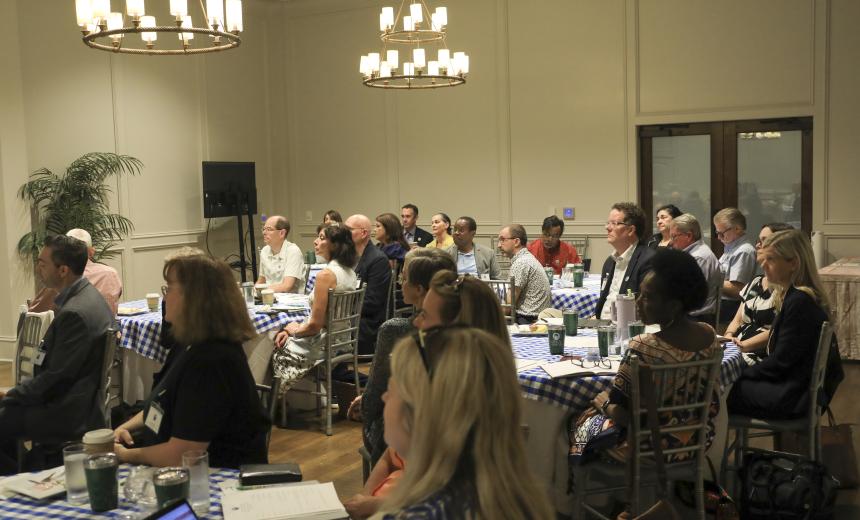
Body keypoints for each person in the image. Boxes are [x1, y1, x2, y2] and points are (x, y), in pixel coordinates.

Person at [371, 328, 553, 519]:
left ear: (421, 413)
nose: (384, 397)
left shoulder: (419, 514)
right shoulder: (508, 495)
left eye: (392, 388)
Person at [113, 254, 269, 469]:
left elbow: (183, 455)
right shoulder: (187, 343)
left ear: (195, 297)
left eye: (169, 288)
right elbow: (162, 402)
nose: (164, 299)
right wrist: (125, 428)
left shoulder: (212, 360)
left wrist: (123, 455)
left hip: (218, 480)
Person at [571, 248, 719, 469]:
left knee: (576, 421)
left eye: (648, 297)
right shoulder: (710, 336)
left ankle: (577, 496)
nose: (638, 302)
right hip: (697, 442)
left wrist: (605, 404)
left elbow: (625, 415)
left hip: (648, 448)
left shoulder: (644, 347)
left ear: (673, 306)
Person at [344, 250, 457, 519]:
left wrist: (372, 401)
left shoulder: (396, 329)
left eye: (403, 278)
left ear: (419, 289)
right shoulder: (462, 329)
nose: (399, 283)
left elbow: (374, 403)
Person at [0, 235, 114, 473]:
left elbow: (55, 378)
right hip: (76, 402)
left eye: (42, 263)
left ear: (63, 270)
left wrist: (11, 394)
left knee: (6, 415)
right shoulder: (88, 296)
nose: (37, 268)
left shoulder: (75, 312)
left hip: (68, 412)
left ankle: (15, 486)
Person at [727, 230, 844, 420]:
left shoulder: (800, 301)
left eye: (771, 259)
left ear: (793, 263)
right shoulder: (801, 296)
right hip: (796, 388)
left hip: (793, 396)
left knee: (714, 394)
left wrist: (739, 374)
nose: (762, 264)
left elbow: (781, 363)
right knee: (720, 389)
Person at [271, 225, 359, 387]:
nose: (315, 241)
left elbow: (314, 326)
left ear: (335, 244)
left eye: (321, 238)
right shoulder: (350, 272)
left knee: (275, 347)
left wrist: (292, 331)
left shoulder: (325, 275)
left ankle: (275, 404)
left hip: (323, 344)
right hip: (342, 341)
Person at [723, 223, 794, 362]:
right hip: (738, 347)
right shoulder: (756, 282)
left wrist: (742, 346)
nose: (758, 245)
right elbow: (738, 319)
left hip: (761, 355)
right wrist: (729, 335)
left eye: (764, 241)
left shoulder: (791, 290)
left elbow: (777, 332)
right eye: (758, 241)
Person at [28, 228, 123, 315]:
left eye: (42, 265)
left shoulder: (63, 280)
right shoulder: (111, 273)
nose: (38, 270)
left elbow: (34, 314)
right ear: (91, 252)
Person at [595, 202, 655, 319]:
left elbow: (647, 309)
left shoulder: (648, 260)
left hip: (629, 329)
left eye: (614, 223)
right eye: (608, 223)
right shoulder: (609, 262)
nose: (607, 227)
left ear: (631, 230)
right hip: (602, 326)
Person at [346, 214, 392, 355]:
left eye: (348, 230)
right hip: (349, 315)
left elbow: (372, 302)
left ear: (364, 233)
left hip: (366, 323)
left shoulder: (377, 260)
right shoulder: (347, 256)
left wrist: (341, 308)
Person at [669, 214, 720, 324]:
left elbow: (690, 294)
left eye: (674, 236)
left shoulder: (699, 257)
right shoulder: (689, 255)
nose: (671, 242)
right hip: (688, 316)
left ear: (688, 236)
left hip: (698, 319)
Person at [497, 224, 551, 324]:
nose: (499, 245)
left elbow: (509, 307)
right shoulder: (526, 258)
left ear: (516, 242)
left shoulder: (520, 263)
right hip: (535, 317)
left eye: (502, 240)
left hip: (526, 320)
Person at [713, 207, 757, 323]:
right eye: (717, 233)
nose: (718, 237)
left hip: (731, 309)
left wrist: (709, 279)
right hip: (722, 305)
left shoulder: (743, 251)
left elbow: (737, 290)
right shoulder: (731, 247)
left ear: (737, 229)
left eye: (721, 233)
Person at [257, 215, 304, 293]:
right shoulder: (264, 251)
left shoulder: (293, 251)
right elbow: (261, 280)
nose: (264, 233)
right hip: (268, 297)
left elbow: (286, 286)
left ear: (282, 233)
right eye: (264, 229)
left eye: (269, 229)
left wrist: (262, 290)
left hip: (290, 300)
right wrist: (252, 291)